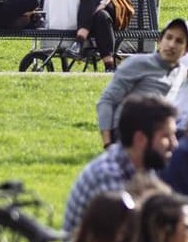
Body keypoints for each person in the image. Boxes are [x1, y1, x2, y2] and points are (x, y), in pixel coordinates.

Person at [64, 95, 177, 233]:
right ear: (140, 139)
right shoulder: (108, 175)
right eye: (166, 137)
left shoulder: (142, 164)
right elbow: (130, 237)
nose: (174, 144)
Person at [95, 20, 188, 143]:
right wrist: (108, 143)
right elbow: (107, 100)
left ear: (187, 50)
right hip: (128, 133)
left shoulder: (181, 72)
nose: (172, 44)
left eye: (179, 41)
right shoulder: (137, 63)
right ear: (160, 41)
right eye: (168, 38)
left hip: (158, 134)